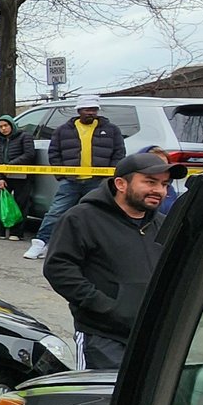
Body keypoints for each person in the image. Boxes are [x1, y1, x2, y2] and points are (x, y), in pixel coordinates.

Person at [42, 153, 180, 370]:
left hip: (152, 337)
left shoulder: (165, 225)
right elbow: (59, 269)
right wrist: (106, 306)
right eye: (150, 182)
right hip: (102, 338)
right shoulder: (82, 218)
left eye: (164, 184)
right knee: (102, 393)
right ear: (121, 184)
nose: (159, 190)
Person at [27, 94, 126, 261]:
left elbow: (119, 153)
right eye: (87, 109)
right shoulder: (63, 130)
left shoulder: (111, 130)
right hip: (70, 181)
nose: (91, 112)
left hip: (98, 181)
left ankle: (95, 250)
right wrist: (61, 175)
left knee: (98, 215)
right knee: (56, 212)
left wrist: (108, 176)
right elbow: (54, 153)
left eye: (94, 109)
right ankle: (40, 243)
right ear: (79, 110)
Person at [0, 115, 33, 241]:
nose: (3, 129)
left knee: (21, 203)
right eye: (0, 127)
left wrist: (10, 166)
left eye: (6, 125)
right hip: (3, 176)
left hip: (21, 175)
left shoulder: (25, 137)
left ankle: (17, 232)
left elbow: (29, 154)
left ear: (11, 125)